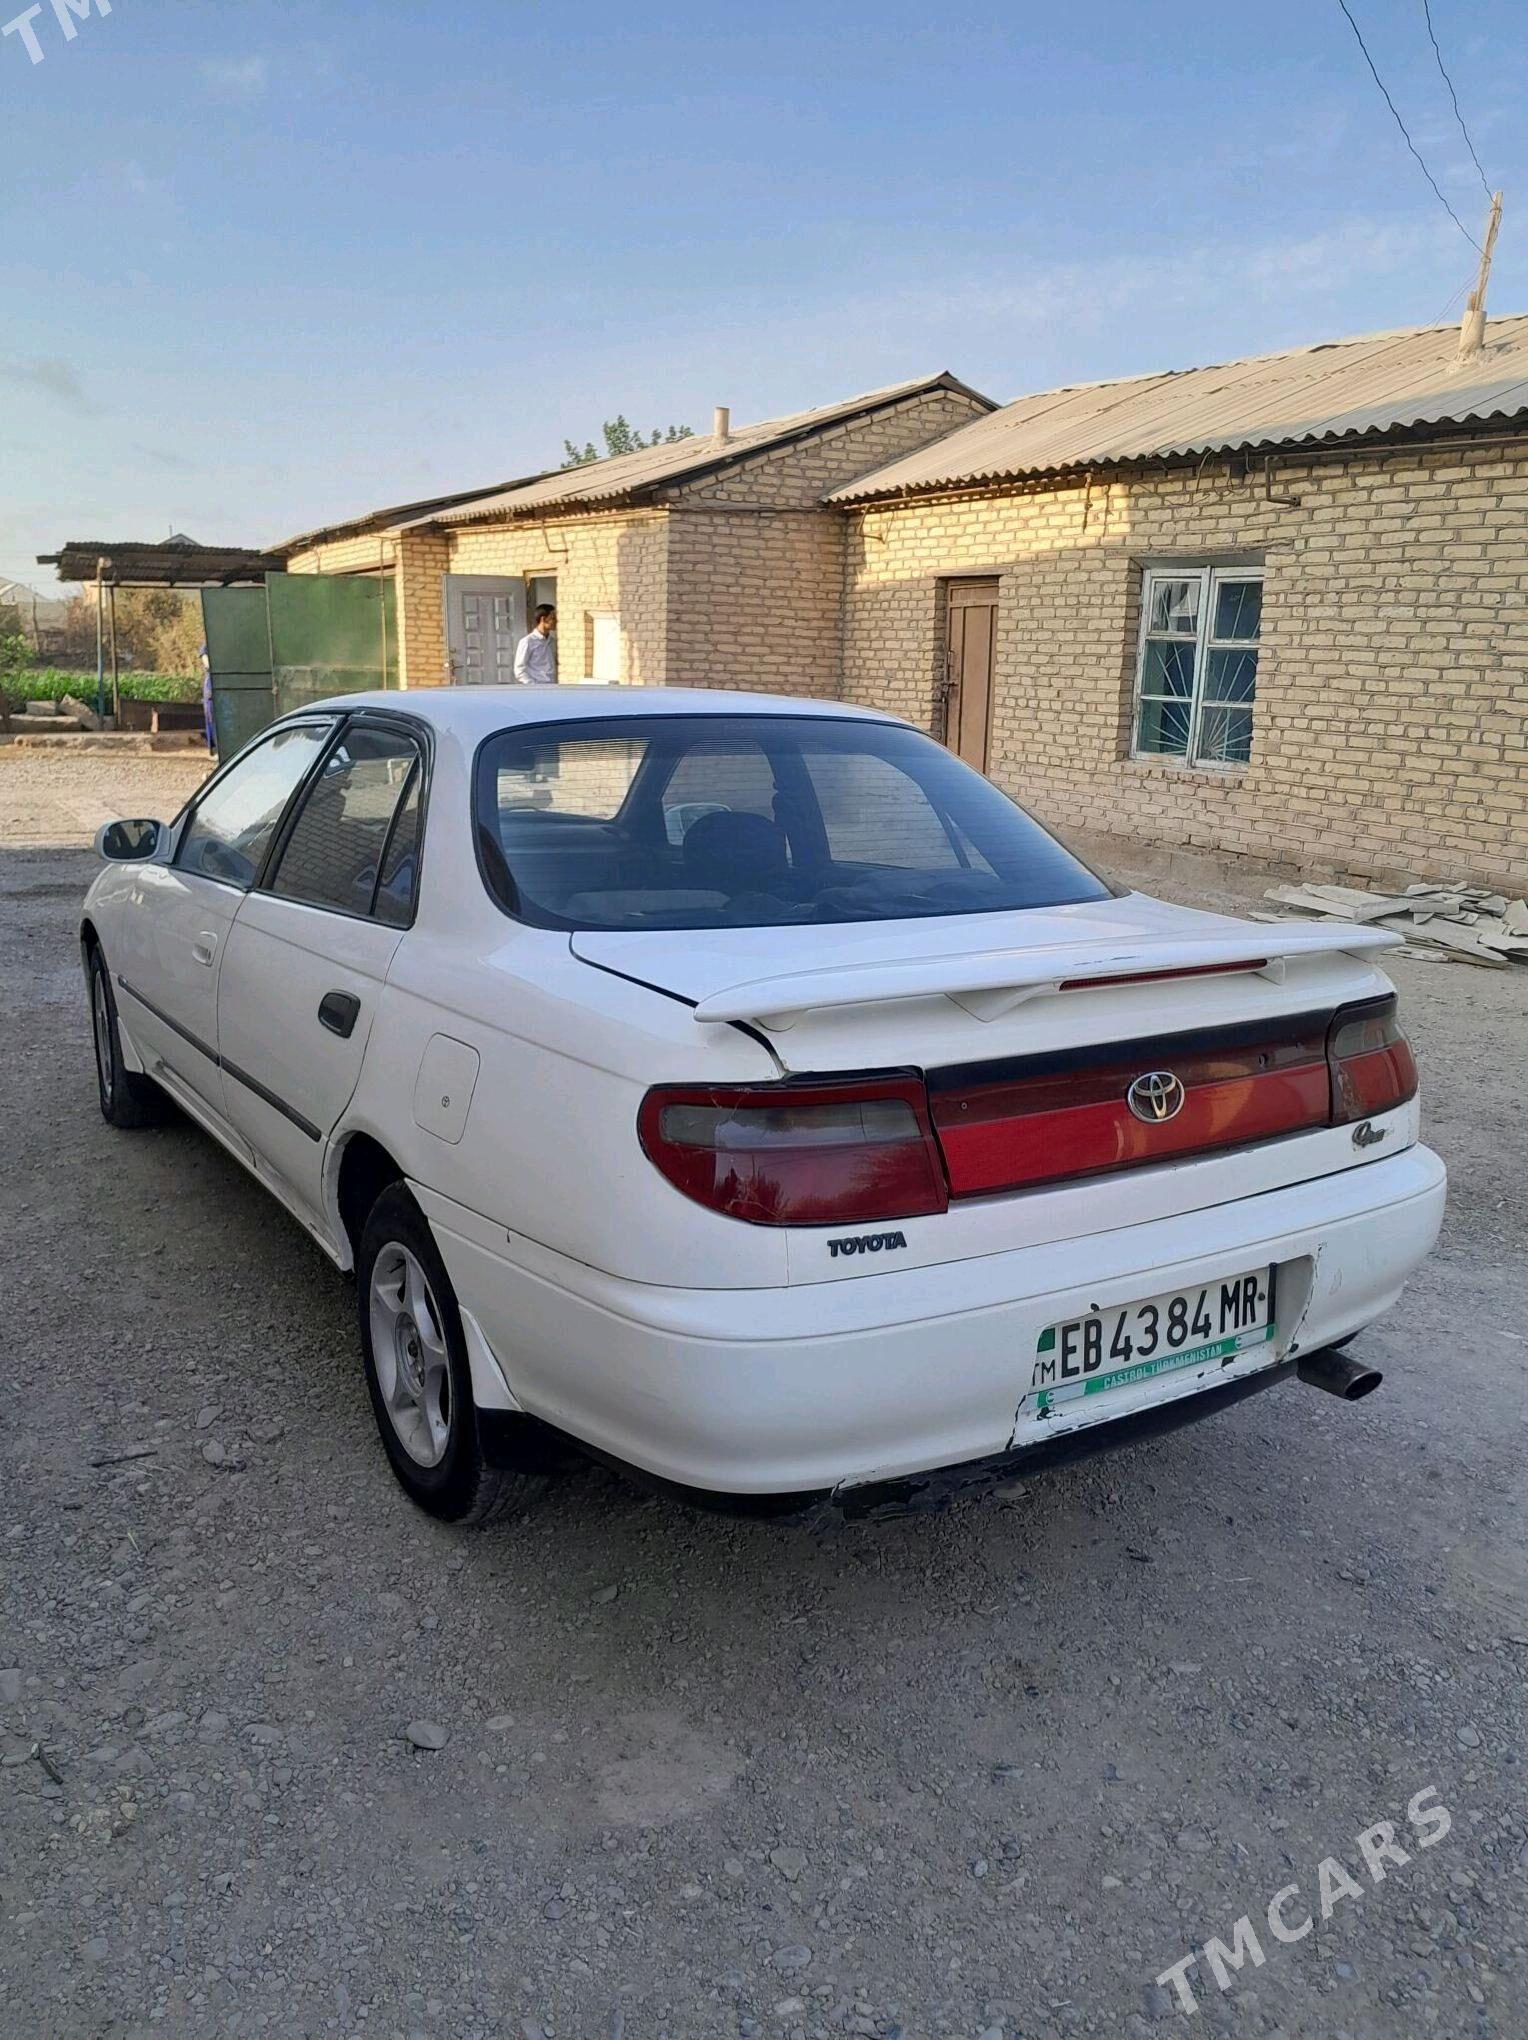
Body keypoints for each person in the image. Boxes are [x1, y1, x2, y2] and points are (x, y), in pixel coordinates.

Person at [513, 604, 557, 685]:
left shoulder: (553, 642)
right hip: (536, 689)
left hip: (552, 687)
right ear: (543, 619)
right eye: (552, 618)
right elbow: (519, 670)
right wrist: (533, 685)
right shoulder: (528, 641)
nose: (556, 621)